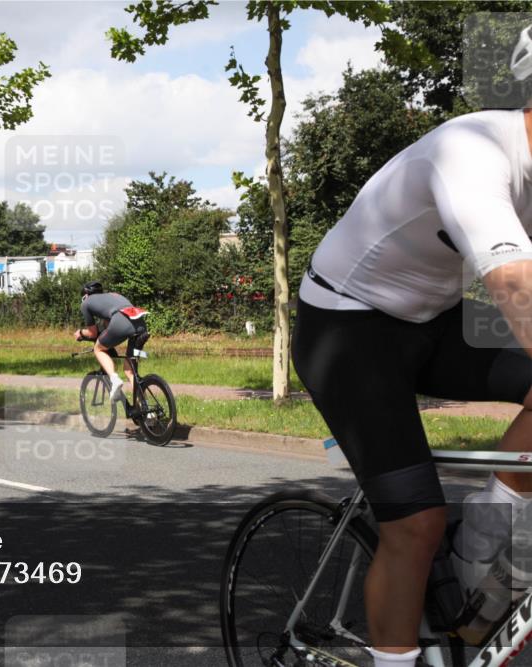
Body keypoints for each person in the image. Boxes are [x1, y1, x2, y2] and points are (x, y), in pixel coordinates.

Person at [291, 26, 532, 667]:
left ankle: (485, 542)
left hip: (432, 322)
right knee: (415, 524)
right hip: (347, 328)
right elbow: (514, 282)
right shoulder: (472, 149)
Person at [74, 281, 148, 401]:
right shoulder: (113, 296)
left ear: (85, 296)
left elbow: (92, 333)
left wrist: (81, 333)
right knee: (129, 371)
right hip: (141, 325)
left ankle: (114, 379)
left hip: (121, 322)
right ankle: (147, 411)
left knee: (98, 349)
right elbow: (109, 326)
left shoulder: (86, 303)